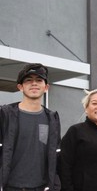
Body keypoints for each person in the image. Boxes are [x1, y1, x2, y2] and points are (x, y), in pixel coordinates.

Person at [0, 63, 61, 191]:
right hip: (9, 187)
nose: (34, 83)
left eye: (39, 80)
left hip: (40, 187)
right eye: (28, 80)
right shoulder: (5, 115)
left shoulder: (52, 118)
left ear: (46, 87)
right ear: (20, 87)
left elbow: (56, 156)